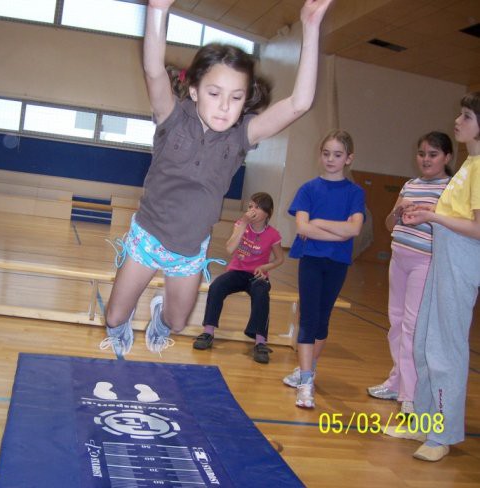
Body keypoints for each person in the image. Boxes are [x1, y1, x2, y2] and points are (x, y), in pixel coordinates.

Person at [100, 0, 333, 357]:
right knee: (114, 316)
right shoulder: (171, 117)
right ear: (193, 90)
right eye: (214, 93)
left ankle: (161, 316)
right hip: (146, 238)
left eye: (236, 97)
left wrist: (311, 27)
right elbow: (152, 71)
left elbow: (299, 103)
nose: (225, 106)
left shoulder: (241, 136)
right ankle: (121, 323)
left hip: (189, 252)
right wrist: (158, 10)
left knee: (178, 323)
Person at [385, 93, 480, 462]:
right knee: (424, 342)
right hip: (444, 255)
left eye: (467, 115)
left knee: (445, 349)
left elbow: (477, 227)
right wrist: (429, 210)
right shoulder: (470, 166)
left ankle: (442, 434)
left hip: (460, 259)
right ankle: (423, 422)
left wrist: (434, 217)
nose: (459, 120)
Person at [367, 132, 452, 414]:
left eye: (433, 154)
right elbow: (390, 224)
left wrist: (430, 211)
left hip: (424, 261)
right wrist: (398, 211)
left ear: (447, 158)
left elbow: (450, 227)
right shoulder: (410, 184)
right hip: (399, 257)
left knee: (413, 327)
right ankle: (396, 381)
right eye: (422, 153)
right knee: (396, 321)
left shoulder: (449, 188)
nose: (426, 159)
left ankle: (411, 394)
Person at [282, 130, 365, 409]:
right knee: (308, 318)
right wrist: (338, 231)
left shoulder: (355, 193)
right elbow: (303, 228)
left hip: (337, 263)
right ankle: (306, 381)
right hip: (311, 260)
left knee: (322, 320)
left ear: (348, 159)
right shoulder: (308, 189)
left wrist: (320, 223)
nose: (331, 159)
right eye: (326, 153)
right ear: (320, 155)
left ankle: (309, 368)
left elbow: (354, 229)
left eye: (338, 155)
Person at [192, 192, 284, 364]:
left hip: (257, 275)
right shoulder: (241, 225)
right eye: (250, 206)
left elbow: (279, 259)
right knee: (217, 286)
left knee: (262, 293)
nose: (252, 210)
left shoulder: (273, 234)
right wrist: (243, 224)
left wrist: (265, 267)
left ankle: (260, 342)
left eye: (257, 207)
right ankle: (208, 332)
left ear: (268, 213)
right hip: (237, 272)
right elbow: (229, 248)